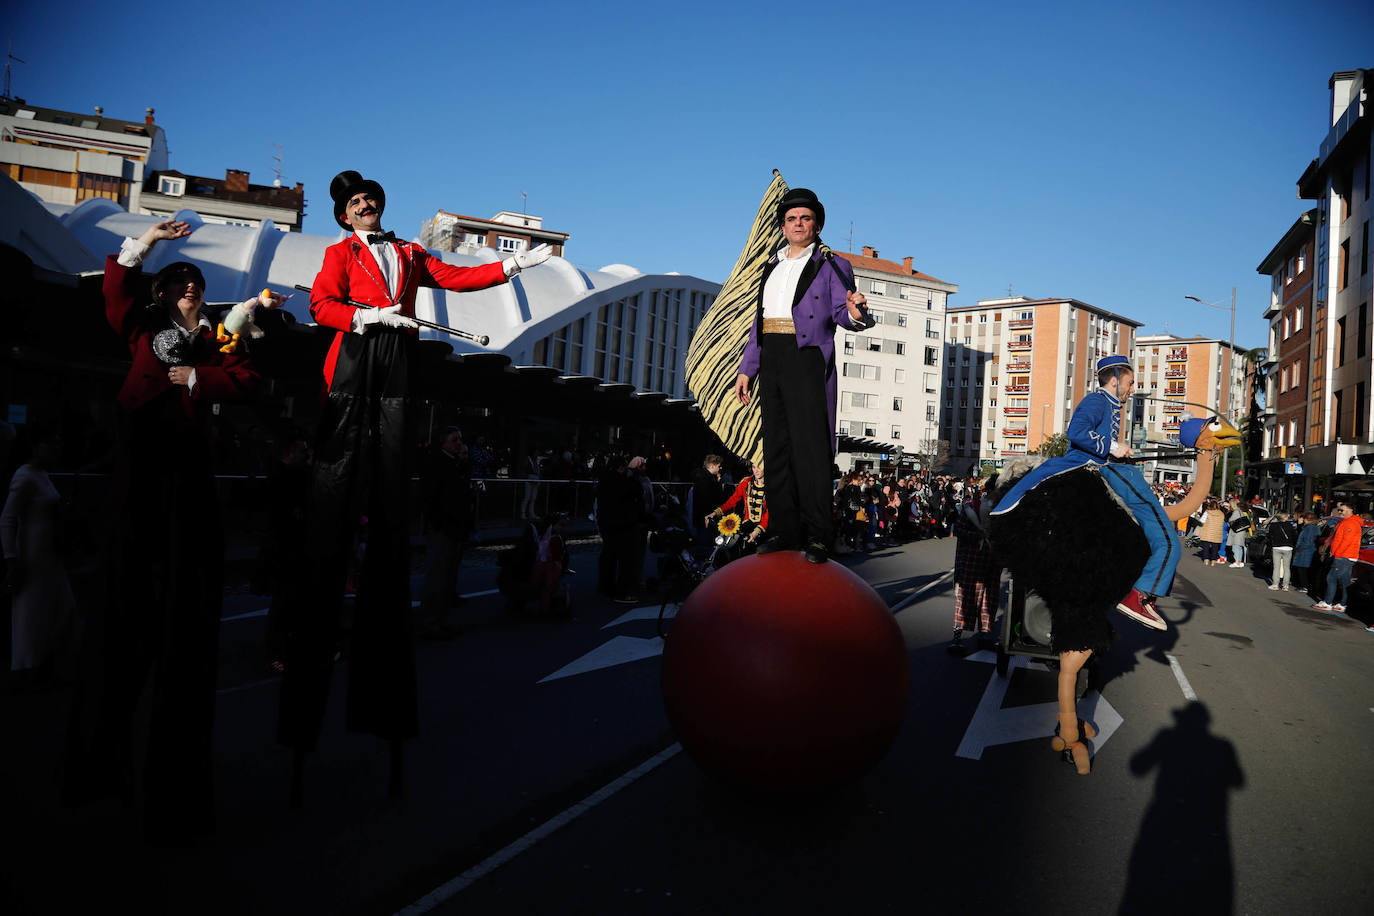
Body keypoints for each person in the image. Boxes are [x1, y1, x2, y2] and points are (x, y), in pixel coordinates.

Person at [277, 171, 552, 762]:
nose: (366, 205)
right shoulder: (337, 253)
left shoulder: (408, 251)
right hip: (354, 356)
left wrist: (511, 269)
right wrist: (367, 317)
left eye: (371, 199)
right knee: (338, 474)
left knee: (390, 470)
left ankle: (383, 551)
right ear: (345, 215)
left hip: (398, 360)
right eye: (356, 202)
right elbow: (322, 304)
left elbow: (457, 276)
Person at [65, 219, 273, 841]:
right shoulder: (144, 325)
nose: (189, 287)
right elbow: (117, 294)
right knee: (127, 588)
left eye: (196, 282)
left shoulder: (217, 339)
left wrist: (196, 377)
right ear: (165, 292)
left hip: (187, 467)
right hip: (142, 459)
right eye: (180, 281)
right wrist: (149, 243)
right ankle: (101, 760)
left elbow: (249, 382)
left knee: (182, 592)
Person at [734, 188, 868, 563]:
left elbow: (843, 313)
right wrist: (748, 369)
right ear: (782, 226)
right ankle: (783, 529)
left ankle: (818, 535)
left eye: (805, 218)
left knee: (810, 449)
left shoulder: (833, 265)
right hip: (773, 355)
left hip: (807, 356)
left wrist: (856, 313)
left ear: (817, 224)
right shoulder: (770, 266)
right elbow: (758, 325)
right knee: (776, 448)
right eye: (792, 218)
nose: (798, 224)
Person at [992, 356, 1173, 631]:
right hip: (1085, 465)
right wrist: (1114, 447)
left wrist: (1121, 451)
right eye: (1130, 382)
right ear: (1114, 380)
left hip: (1101, 465)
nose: (1133, 389)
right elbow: (1076, 432)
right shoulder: (1097, 401)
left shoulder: (1111, 405)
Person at [2, 430, 74, 689]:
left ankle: (38, 667)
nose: (55, 450)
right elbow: (7, 518)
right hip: (34, 554)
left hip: (46, 554)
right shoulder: (26, 476)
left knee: (51, 610)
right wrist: (11, 558)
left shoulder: (39, 475)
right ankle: (34, 670)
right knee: (36, 612)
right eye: (50, 444)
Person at [419, 427, 473, 640]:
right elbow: (431, 497)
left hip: (453, 526)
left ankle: (440, 619)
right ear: (443, 442)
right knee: (438, 575)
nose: (459, 443)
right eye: (454, 440)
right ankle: (431, 621)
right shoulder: (438, 464)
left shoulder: (453, 463)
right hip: (445, 527)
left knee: (447, 576)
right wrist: (439, 523)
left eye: (460, 439)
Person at [704, 461, 769, 547]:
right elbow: (732, 501)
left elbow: (770, 512)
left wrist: (757, 531)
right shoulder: (746, 482)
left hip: (767, 527)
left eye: (759, 468)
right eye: (754, 467)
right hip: (748, 525)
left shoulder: (772, 485)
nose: (756, 471)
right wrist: (715, 513)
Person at [1314, 502, 1362, 611]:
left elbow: (1346, 542)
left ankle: (1327, 602)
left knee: (1331, 578)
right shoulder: (1347, 522)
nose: (1340, 512)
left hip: (1344, 556)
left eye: (1342, 510)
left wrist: (1337, 555)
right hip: (1346, 555)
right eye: (1339, 510)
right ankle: (1343, 604)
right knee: (1345, 581)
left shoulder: (1351, 523)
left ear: (1350, 511)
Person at [1292, 511, 1321, 595]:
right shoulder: (1315, 527)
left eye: (1304, 518)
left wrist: (1299, 548)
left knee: (1303, 570)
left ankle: (1305, 586)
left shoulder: (1309, 528)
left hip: (1305, 552)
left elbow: (1307, 542)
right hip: (1310, 551)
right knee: (1307, 571)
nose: (1303, 520)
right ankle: (1307, 586)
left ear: (1308, 519)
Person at [1266, 511, 1296, 590]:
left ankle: (1275, 584)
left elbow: (1269, 536)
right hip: (1288, 547)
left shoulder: (1273, 526)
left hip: (1277, 547)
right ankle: (1285, 585)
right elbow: (1294, 536)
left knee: (1276, 567)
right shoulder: (1290, 526)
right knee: (1287, 567)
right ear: (1285, 517)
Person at [1196, 498, 1225, 566]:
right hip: (1217, 532)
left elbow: (1202, 521)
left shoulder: (1207, 512)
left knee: (1206, 546)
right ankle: (1213, 560)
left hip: (1207, 531)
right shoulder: (1221, 514)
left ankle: (1206, 559)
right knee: (1215, 547)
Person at [1225, 503, 1251, 568]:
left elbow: (1230, 520)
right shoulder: (1240, 511)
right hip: (1241, 531)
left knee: (1235, 546)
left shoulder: (1236, 512)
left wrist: (1229, 514)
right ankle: (1239, 561)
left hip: (1237, 532)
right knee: (1239, 547)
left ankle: (1236, 562)